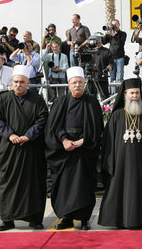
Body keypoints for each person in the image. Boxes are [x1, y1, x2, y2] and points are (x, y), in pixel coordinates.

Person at [0, 65, 49, 231]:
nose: (18, 85)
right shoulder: (3, 99)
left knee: (33, 184)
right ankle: (7, 220)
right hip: (9, 150)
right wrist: (11, 135)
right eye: (15, 81)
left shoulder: (37, 100)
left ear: (28, 82)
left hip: (31, 150)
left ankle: (35, 219)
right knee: (7, 185)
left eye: (22, 82)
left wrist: (28, 135)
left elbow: (42, 119)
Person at [98, 78, 142, 229]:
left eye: (137, 93)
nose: (135, 95)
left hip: (141, 161)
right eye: (132, 93)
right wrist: (109, 163)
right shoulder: (117, 115)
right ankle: (118, 220)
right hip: (120, 162)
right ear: (125, 94)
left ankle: (141, 219)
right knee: (119, 189)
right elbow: (108, 141)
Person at [46, 67, 103, 231]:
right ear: (69, 85)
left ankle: (84, 219)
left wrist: (81, 142)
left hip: (84, 151)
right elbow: (53, 126)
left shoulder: (92, 102)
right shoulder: (61, 101)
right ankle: (67, 218)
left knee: (84, 187)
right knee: (64, 187)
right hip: (64, 151)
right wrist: (64, 140)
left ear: (84, 84)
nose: (77, 85)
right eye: (74, 83)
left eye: (80, 82)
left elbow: (97, 128)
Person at [103, 19, 126, 83]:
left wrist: (114, 35)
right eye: (113, 24)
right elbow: (103, 42)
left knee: (120, 76)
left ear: (119, 25)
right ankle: (112, 92)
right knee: (112, 77)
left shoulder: (123, 34)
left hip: (120, 57)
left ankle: (119, 92)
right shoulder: (110, 34)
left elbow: (121, 43)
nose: (114, 26)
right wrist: (107, 34)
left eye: (116, 24)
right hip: (111, 58)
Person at [91, 35, 114, 99]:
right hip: (91, 77)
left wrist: (109, 67)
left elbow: (111, 63)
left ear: (100, 40)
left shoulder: (106, 51)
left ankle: (105, 108)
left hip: (102, 76)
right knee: (91, 97)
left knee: (104, 96)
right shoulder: (90, 51)